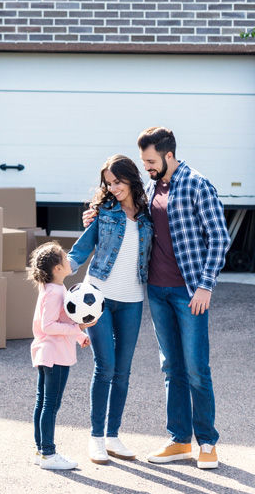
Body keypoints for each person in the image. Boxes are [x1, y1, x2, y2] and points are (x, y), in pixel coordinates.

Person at [83, 126, 230, 470]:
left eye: (150, 160)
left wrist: (205, 286)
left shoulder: (197, 184)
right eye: (143, 161)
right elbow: (126, 214)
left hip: (189, 292)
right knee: (170, 367)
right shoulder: (151, 188)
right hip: (156, 291)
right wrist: (93, 215)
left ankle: (206, 442)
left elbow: (219, 238)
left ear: (167, 155)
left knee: (196, 367)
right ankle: (179, 440)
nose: (146, 166)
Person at [68, 155, 153, 464]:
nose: (113, 188)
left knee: (123, 371)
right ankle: (96, 438)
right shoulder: (103, 213)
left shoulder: (147, 216)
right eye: (108, 183)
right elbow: (79, 251)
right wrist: (53, 272)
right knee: (105, 367)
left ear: (131, 178)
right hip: (97, 297)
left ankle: (114, 435)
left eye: (117, 182)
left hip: (132, 300)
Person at [29, 241, 92, 470]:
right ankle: (48, 453)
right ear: (57, 269)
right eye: (65, 259)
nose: (69, 261)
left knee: (43, 403)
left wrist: (79, 334)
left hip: (48, 353)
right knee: (50, 405)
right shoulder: (55, 292)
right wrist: (77, 331)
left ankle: (40, 450)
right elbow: (49, 325)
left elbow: (63, 320)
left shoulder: (51, 290)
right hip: (54, 355)